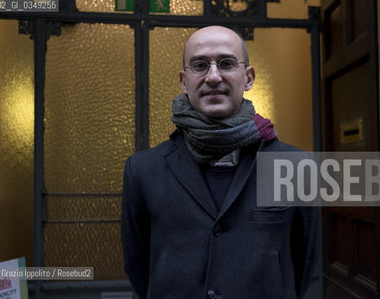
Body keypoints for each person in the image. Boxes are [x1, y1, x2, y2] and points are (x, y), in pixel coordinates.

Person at [121, 26, 320, 299]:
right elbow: (138, 266)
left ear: (248, 78)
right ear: (184, 80)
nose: (213, 77)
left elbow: (303, 261)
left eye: (226, 63)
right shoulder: (142, 171)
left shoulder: (296, 167)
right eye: (200, 65)